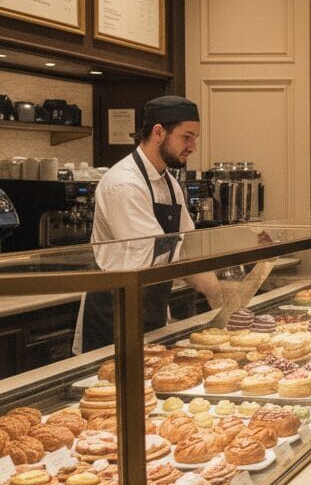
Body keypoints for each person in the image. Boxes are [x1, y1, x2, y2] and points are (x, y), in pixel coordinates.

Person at [78, 96, 223, 353]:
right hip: (114, 313)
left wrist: (218, 297)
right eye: (186, 137)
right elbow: (150, 254)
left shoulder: (169, 182)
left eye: (195, 138)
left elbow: (187, 246)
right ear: (158, 132)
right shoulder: (123, 183)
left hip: (150, 308)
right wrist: (213, 290)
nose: (193, 146)